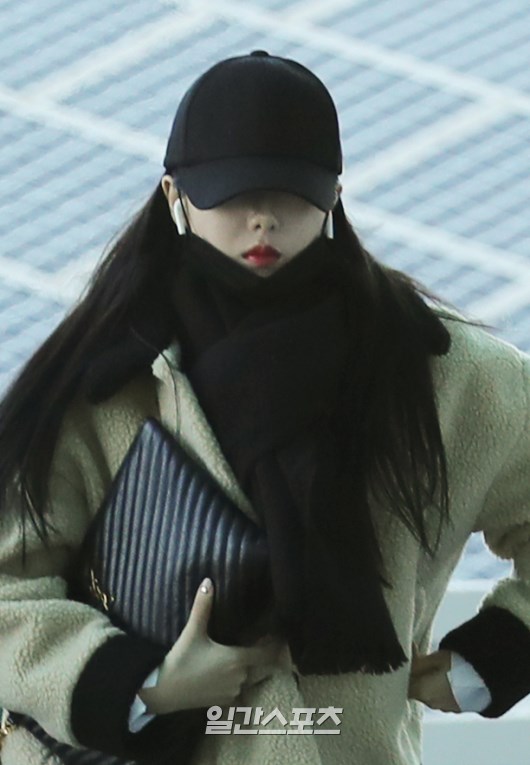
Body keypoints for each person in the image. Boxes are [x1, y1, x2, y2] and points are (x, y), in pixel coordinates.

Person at [0, 49, 530, 765]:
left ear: (334, 194)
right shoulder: (103, 376)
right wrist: (141, 684)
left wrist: (496, 654)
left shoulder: (445, 376)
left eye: (290, 193)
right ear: (173, 196)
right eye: (228, 193)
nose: (261, 219)